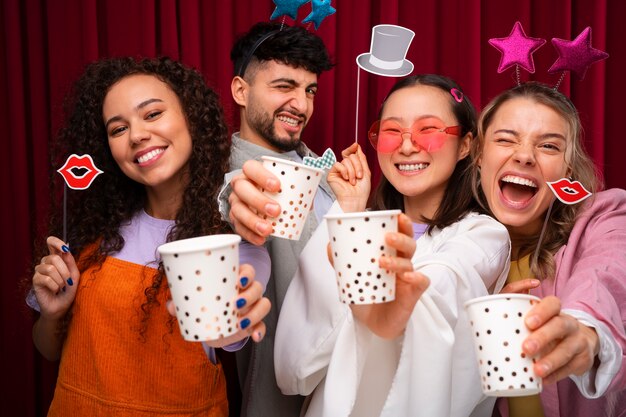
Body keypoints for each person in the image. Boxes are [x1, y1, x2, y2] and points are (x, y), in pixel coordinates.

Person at [28, 56, 271, 416]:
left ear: (191, 118)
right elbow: (48, 349)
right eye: (117, 129)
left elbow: (226, 331)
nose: (137, 134)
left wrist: (229, 324)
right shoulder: (90, 231)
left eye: (153, 114)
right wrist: (53, 314)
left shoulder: (232, 243)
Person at [274, 74, 511, 416]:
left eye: (428, 129)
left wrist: (387, 300)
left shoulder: (482, 235)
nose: (407, 145)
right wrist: (350, 211)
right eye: (392, 131)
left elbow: (442, 285)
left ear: (465, 144)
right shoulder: (359, 220)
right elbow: (295, 368)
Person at [470, 81, 626, 417]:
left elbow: (608, 274)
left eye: (549, 147)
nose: (524, 156)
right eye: (506, 139)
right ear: (479, 155)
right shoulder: (456, 241)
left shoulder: (604, 217)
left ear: (567, 170)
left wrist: (585, 330)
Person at [219, 22, 334, 416]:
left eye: (310, 90)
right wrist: (235, 205)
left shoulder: (323, 173)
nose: (301, 105)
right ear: (241, 90)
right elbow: (231, 202)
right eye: (284, 87)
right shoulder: (226, 180)